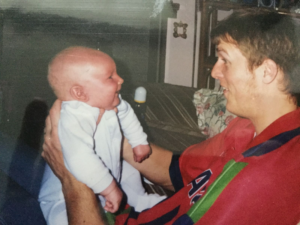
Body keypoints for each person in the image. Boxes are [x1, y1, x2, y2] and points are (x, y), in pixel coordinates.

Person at [42, 9, 300, 224]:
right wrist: (104, 137)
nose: (215, 72)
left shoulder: (259, 176)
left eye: (225, 60)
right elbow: (173, 170)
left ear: (267, 71)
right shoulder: (248, 127)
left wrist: (73, 180)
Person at [39, 47, 166, 225]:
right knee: (61, 219)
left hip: (108, 169)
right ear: (79, 93)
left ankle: (141, 199)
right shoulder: (73, 118)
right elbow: (80, 158)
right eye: (110, 77)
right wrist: (109, 188)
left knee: (130, 170)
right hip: (64, 196)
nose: (120, 79)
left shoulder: (107, 100)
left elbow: (127, 113)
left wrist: (139, 141)